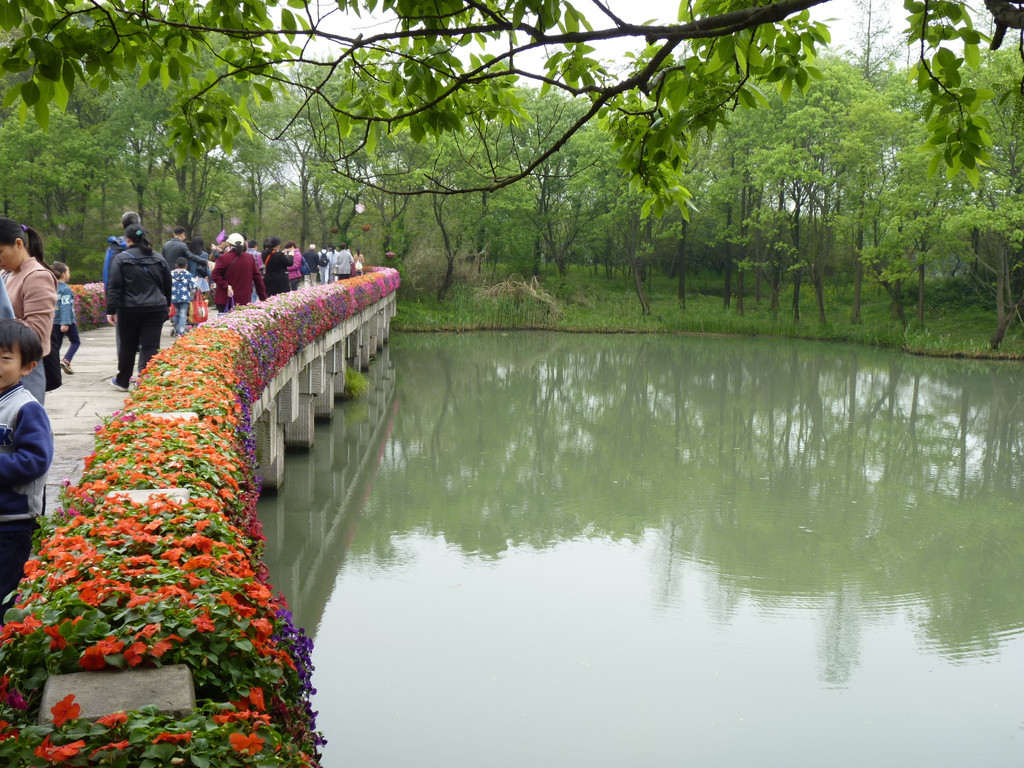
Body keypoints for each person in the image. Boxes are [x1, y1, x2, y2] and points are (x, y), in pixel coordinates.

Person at [0, 318, 52, 625]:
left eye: (5, 358)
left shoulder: (26, 408)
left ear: (27, 367)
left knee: (6, 592)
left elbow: (34, 461)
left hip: (12, 522)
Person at [106, 225, 172, 392]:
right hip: (156, 308)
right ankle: (146, 380)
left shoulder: (121, 259)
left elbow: (115, 287)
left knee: (128, 346)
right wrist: (167, 304)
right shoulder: (158, 258)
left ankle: (123, 381)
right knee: (151, 346)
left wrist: (111, 310)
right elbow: (167, 284)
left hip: (129, 309)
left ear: (127, 239)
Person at [0, 218, 58, 404]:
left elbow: (37, 333)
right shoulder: (7, 273)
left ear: (18, 244)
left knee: (26, 426)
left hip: (23, 371)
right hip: (6, 365)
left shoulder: (37, 276)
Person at [212, 233, 267, 312]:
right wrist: (263, 297)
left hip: (225, 299)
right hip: (244, 300)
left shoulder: (223, 258)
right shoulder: (249, 258)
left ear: (229, 244)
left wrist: (226, 285)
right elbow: (258, 278)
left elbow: (214, 275)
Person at [50, 262, 80, 374]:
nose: (69, 274)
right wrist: (66, 322)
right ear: (63, 274)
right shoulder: (65, 289)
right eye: (68, 272)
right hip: (66, 321)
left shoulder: (51, 287)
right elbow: (66, 306)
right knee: (75, 342)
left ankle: (52, 366)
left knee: (56, 345)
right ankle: (66, 360)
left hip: (53, 320)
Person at [103, 211, 140, 289]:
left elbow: (107, 276)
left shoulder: (113, 248)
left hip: (120, 295)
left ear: (122, 226)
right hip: (144, 297)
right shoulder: (148, 249)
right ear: (139, 226)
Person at [170, 257, 195, 336]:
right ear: (186, 265)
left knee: (176, 314)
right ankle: (181, 331)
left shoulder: (171, 274)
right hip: (185, 297)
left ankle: (176, 330)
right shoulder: (188, 274)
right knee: (183, 314)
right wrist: (191, 296)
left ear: (176, 265)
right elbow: (193, 286)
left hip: (174, 297)